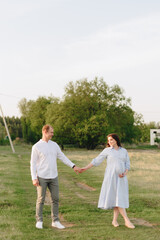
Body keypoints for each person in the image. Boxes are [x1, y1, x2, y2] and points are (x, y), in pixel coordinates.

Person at [79, 133, 135, 229]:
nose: (110, 142)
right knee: (116, 198)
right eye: (108, 140)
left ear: (116, 140)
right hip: (111, 178)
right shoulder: (107, 151)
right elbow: (96, 161)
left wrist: (125, 173)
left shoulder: (124, 151)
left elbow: (127, 164)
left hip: (121, 179)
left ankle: (114, 220)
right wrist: (85, 168)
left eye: (111, 140)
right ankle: (127, 220)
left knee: (119, 198)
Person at [30, 124, 80, 229]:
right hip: (41, 177)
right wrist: (34, 178)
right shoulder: (36, 147)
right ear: (45, 132)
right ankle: (39, 221)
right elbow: (33, 163)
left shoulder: (55, 145)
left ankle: (55, 221)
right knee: (41, 199)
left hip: (54, 177)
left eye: (53, 132)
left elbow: (62, 157)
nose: (53, 134)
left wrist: (73, 166)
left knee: (55, 199)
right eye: (51, 132)